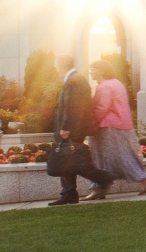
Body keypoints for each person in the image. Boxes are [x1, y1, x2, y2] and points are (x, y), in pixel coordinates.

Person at [85, 58, 146, 199]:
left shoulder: (104, 86)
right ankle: (144, 180)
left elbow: (102, 108)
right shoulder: (117, 84)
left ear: (101, 71)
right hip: (122, 125)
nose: (91, 72)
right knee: (123, 156)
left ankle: (99, 188)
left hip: (107, 127)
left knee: (99, 158)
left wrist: (91, 125)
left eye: (93, 69)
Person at [46, 57, 113, 206]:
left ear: (59, 66)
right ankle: (69, 194)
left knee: (75, 161)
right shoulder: (74, 79)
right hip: (73, 127)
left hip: (73, 129)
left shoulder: (74, 80)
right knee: (67, 159)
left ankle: (104, 178)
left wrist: (65, 127)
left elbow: (72, 106)